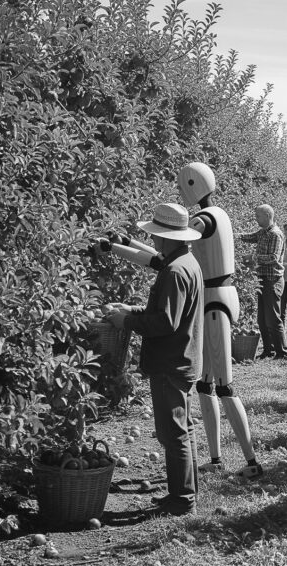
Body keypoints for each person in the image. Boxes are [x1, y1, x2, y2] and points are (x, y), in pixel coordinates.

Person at [94, 163, 264, 481]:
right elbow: (168, 255)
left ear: (189, 184)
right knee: (207, 385)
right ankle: (216, 459)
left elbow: (164, 259)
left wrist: (119, 247)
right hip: (222, 295)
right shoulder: (220, 215)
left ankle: (251, 461)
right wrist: (125, 244)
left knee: (223, 386)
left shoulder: (201, 220)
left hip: (214, 300)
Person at [105, 202, 203, 517]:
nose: (154, 241)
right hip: (183, 359)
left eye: (156, 235)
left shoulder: (175, 271)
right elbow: (167, 314)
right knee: (182, 430)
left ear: (166, 237)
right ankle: (185, 492)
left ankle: (182, 499)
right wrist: (131, 310)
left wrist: (127, 322)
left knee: (172, 433)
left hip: (170, 363)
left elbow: (166, 322)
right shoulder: (187, 262)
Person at [238, 204, 287, 360]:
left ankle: (282, 352)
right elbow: (248, 236)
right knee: (262, 318)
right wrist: (230, 233)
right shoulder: (262, 233)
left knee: (273, 317)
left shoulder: (275, 234)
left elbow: (273, 257)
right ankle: (268, 350)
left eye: (258, 216)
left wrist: (252, 259)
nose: (256, 218)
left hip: (273, 280)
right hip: (262, 279)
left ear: (267, 216)